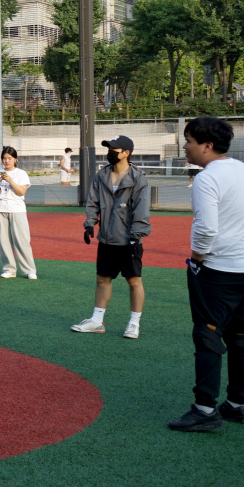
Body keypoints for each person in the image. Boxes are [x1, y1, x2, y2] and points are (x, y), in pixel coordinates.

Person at [168, 117, 244, 432]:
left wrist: (198, 256)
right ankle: (236, 405)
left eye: (188, 141)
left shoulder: (206, 178)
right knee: (239, 336)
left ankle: (204, 409)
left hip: (217, 271)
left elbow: (207, 227)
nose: (184, 147)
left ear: (206, 145)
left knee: (207, 334)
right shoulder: (241, 168)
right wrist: (241, 235)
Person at [71, 135, 151, 339]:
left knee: (134, 281)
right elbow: (92, 202)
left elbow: (141, 210)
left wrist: (136, 236)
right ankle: (97, 321)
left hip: (129, 240)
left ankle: (134, 323)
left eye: (114, 149)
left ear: (126, 153)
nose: (109, 153)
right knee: (102, 279)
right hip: (106, 238)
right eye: (108, 149)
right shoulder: (101, 176)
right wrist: (90, 223)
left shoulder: (138, 178)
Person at [0, 146, 37, 280]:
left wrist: (10, 181)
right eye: (4, 158)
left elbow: (21, 192)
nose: (7, 161)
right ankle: (9, 269)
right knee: (4, 241)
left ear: (15, 159)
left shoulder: (21, 174)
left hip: (17, 209)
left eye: (9, 158)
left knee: (22, 240)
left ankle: (29, 270)